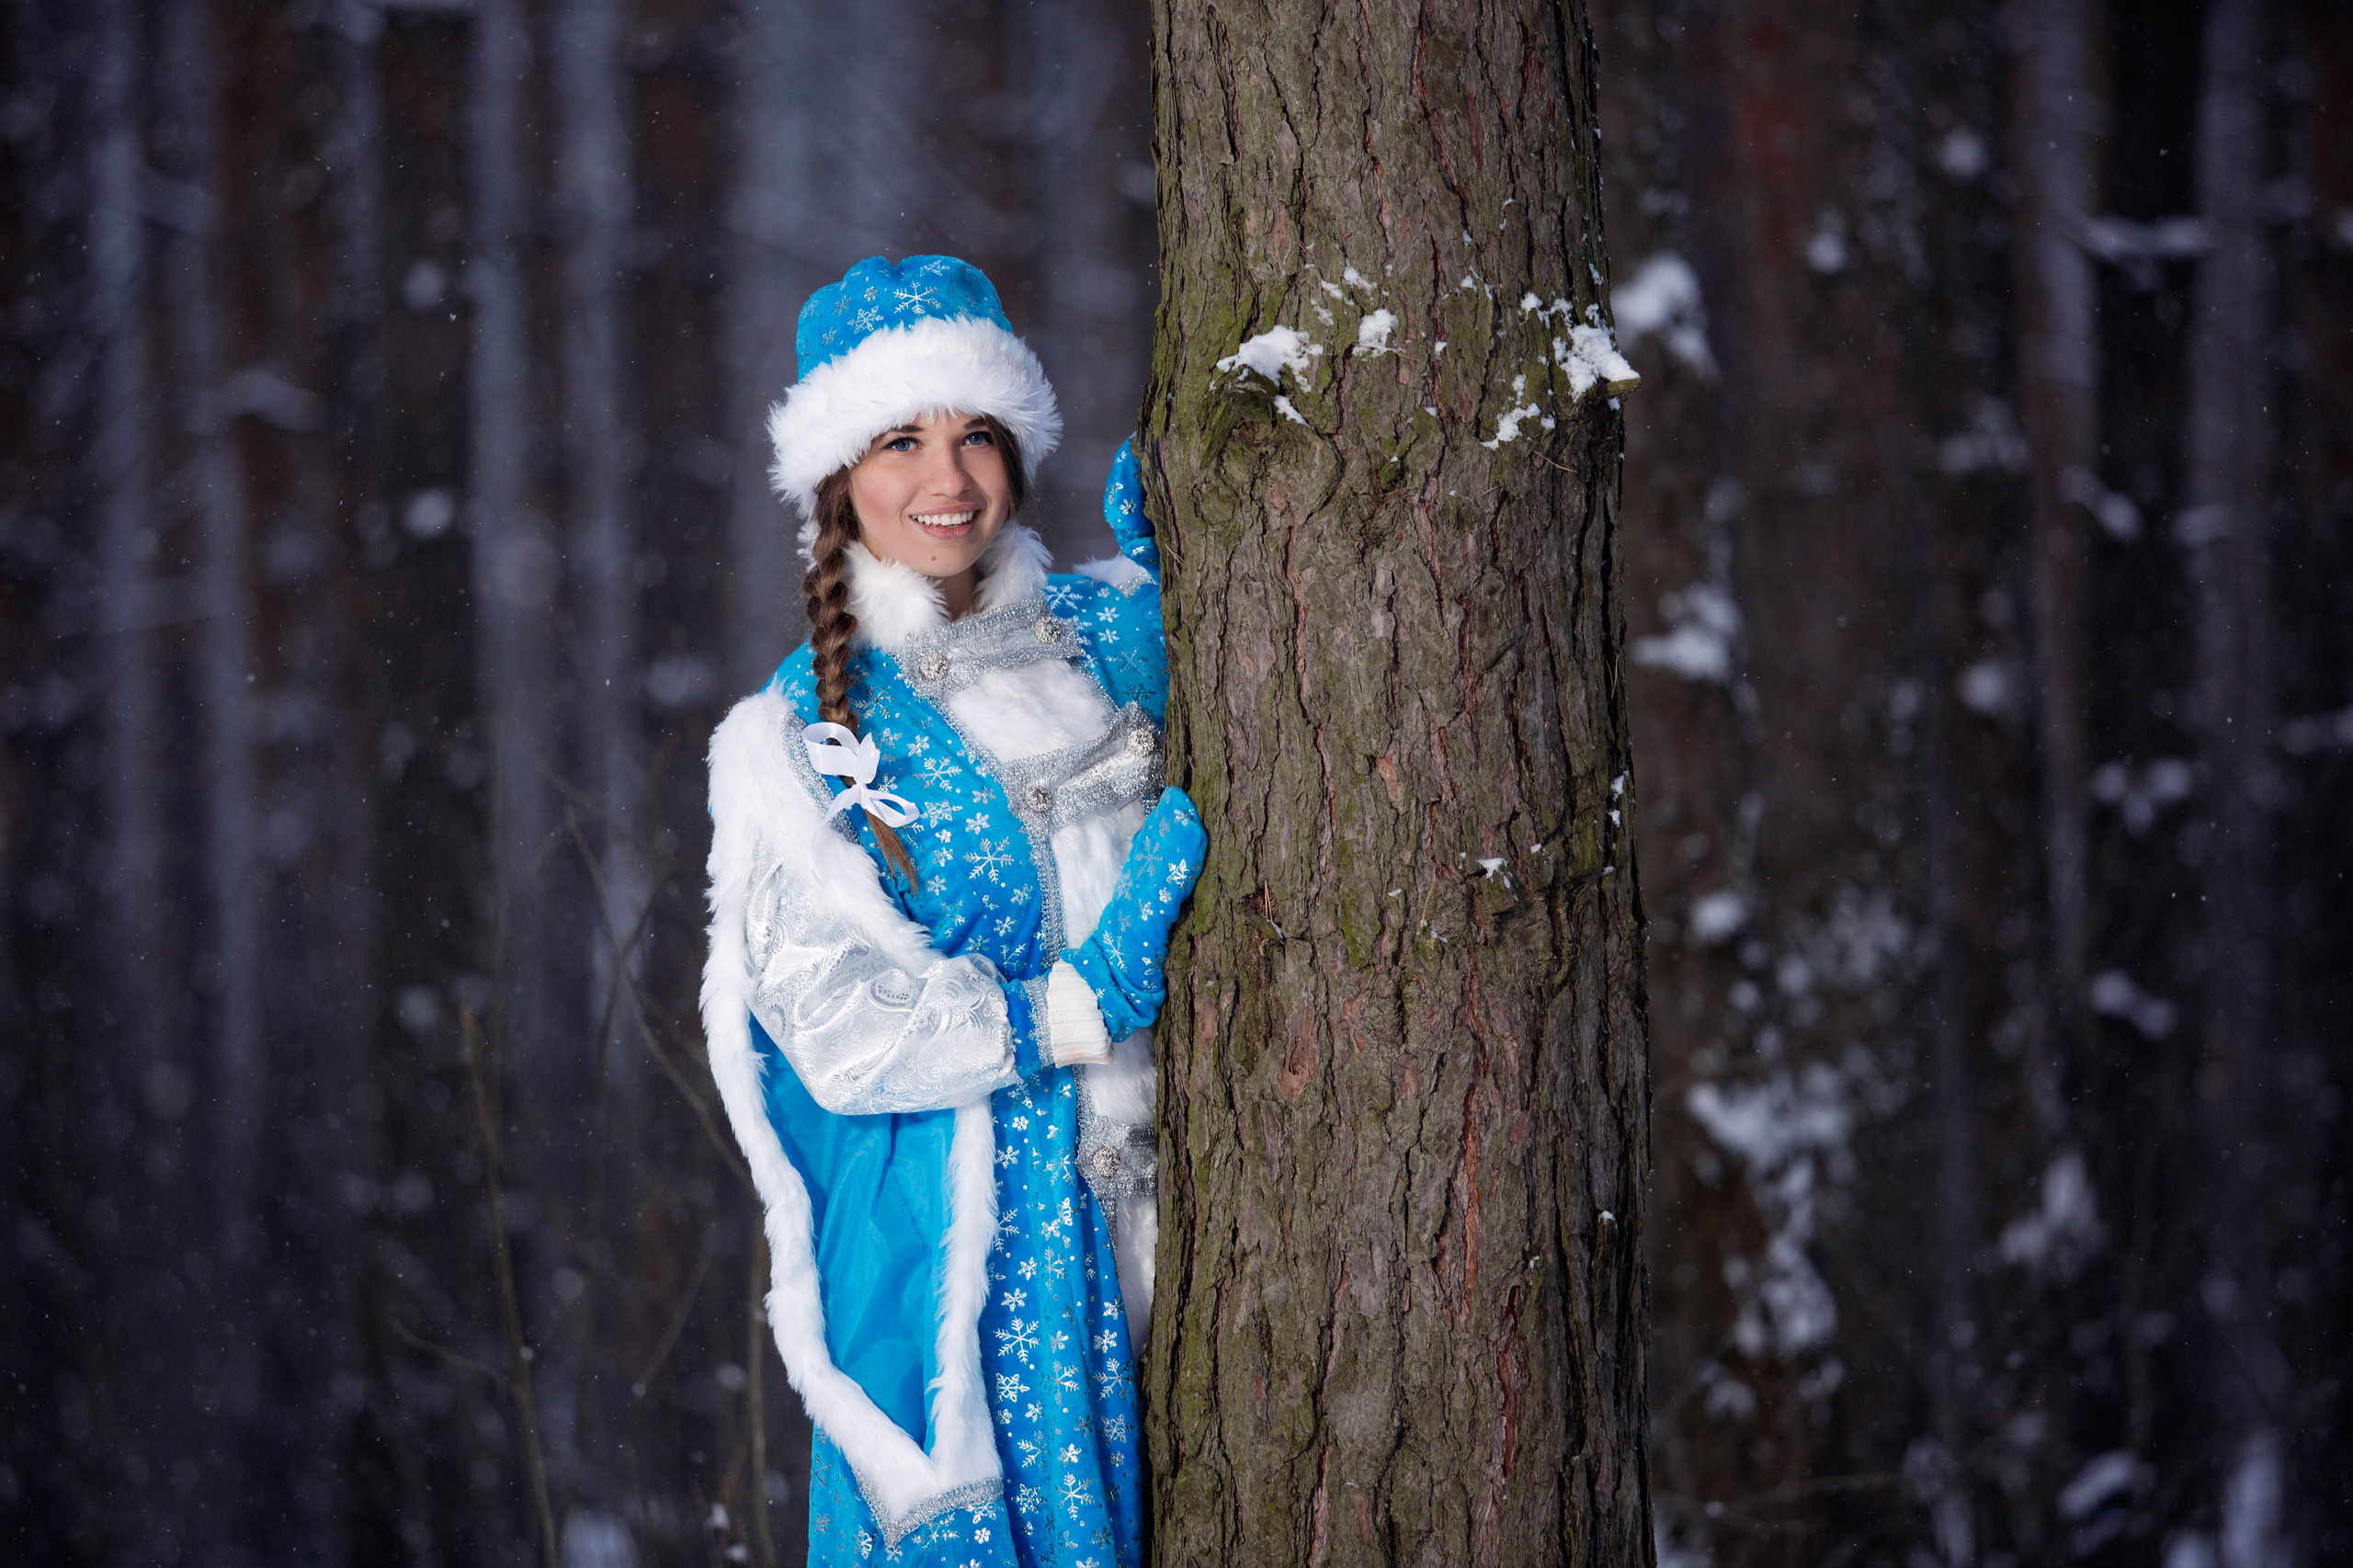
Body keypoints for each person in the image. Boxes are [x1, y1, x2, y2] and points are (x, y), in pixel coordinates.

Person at [701, 254, 1200, 1567]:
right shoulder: (802, 731)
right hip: (998, 1262)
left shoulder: (1103, 631)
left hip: (1196, 1211)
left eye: (976, 434)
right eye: (902, 441)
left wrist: (1212, 566)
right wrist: (1068, 1005)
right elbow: (833, 1028)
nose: (949, 480)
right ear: (835, 475)